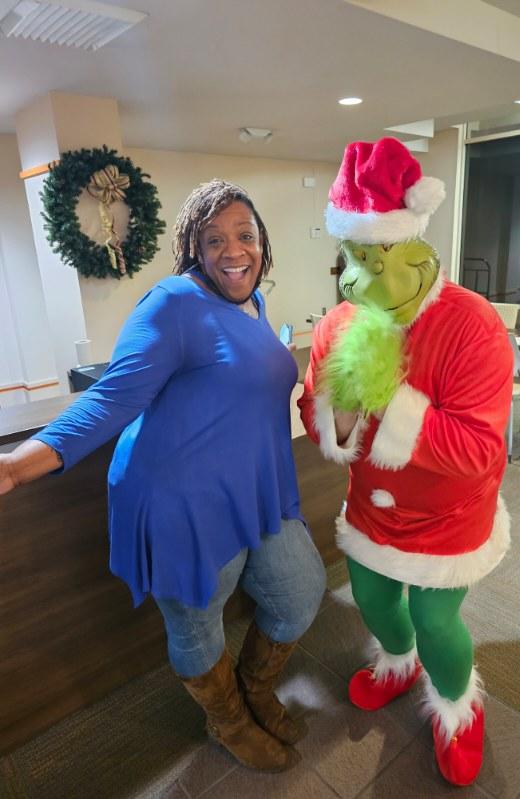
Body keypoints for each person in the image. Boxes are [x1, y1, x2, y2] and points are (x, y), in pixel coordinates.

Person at [0, 179, 326, 772]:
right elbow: (110, 399)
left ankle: (253, 690)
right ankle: (227, 722)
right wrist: (16, 468)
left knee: (300, 593)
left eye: (245, 236)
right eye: (216, 239)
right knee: (198, 625)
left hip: (254, 489)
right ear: (193, 247)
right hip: (181, 498)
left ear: (262, 244)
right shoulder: (172, 303)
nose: (234, 251)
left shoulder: (251, 301)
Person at [298, 138, 513, 786]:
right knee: (370, 595)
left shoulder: (472, 325)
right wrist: (335, 414)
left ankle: (457, 708)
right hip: (371, 511)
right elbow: (319, 418)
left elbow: (479, 450)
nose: (363, 278)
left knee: (432, 616)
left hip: (450, 516)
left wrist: (393, 403)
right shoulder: (336, 324)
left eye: (379, 256)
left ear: (415, 246)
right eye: (354, 259)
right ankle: (398, 663)